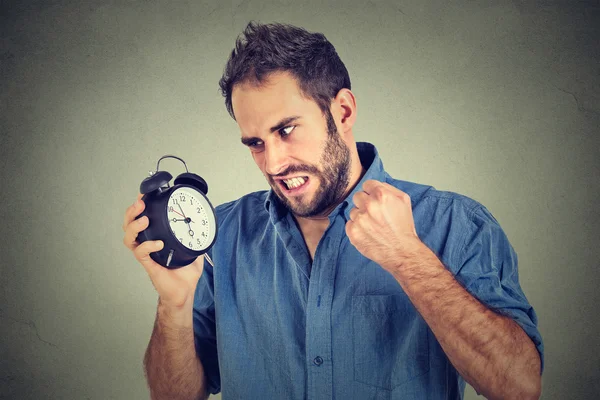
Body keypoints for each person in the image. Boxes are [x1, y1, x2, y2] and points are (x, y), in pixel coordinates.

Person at [122, 22, 544, 400]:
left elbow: (519, 388)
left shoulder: (458, 225)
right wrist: (173, 303)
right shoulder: (222, 235)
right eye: (255, 143)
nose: (272, 163)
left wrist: (410, 261)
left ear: (342, 111)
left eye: (286, 130)